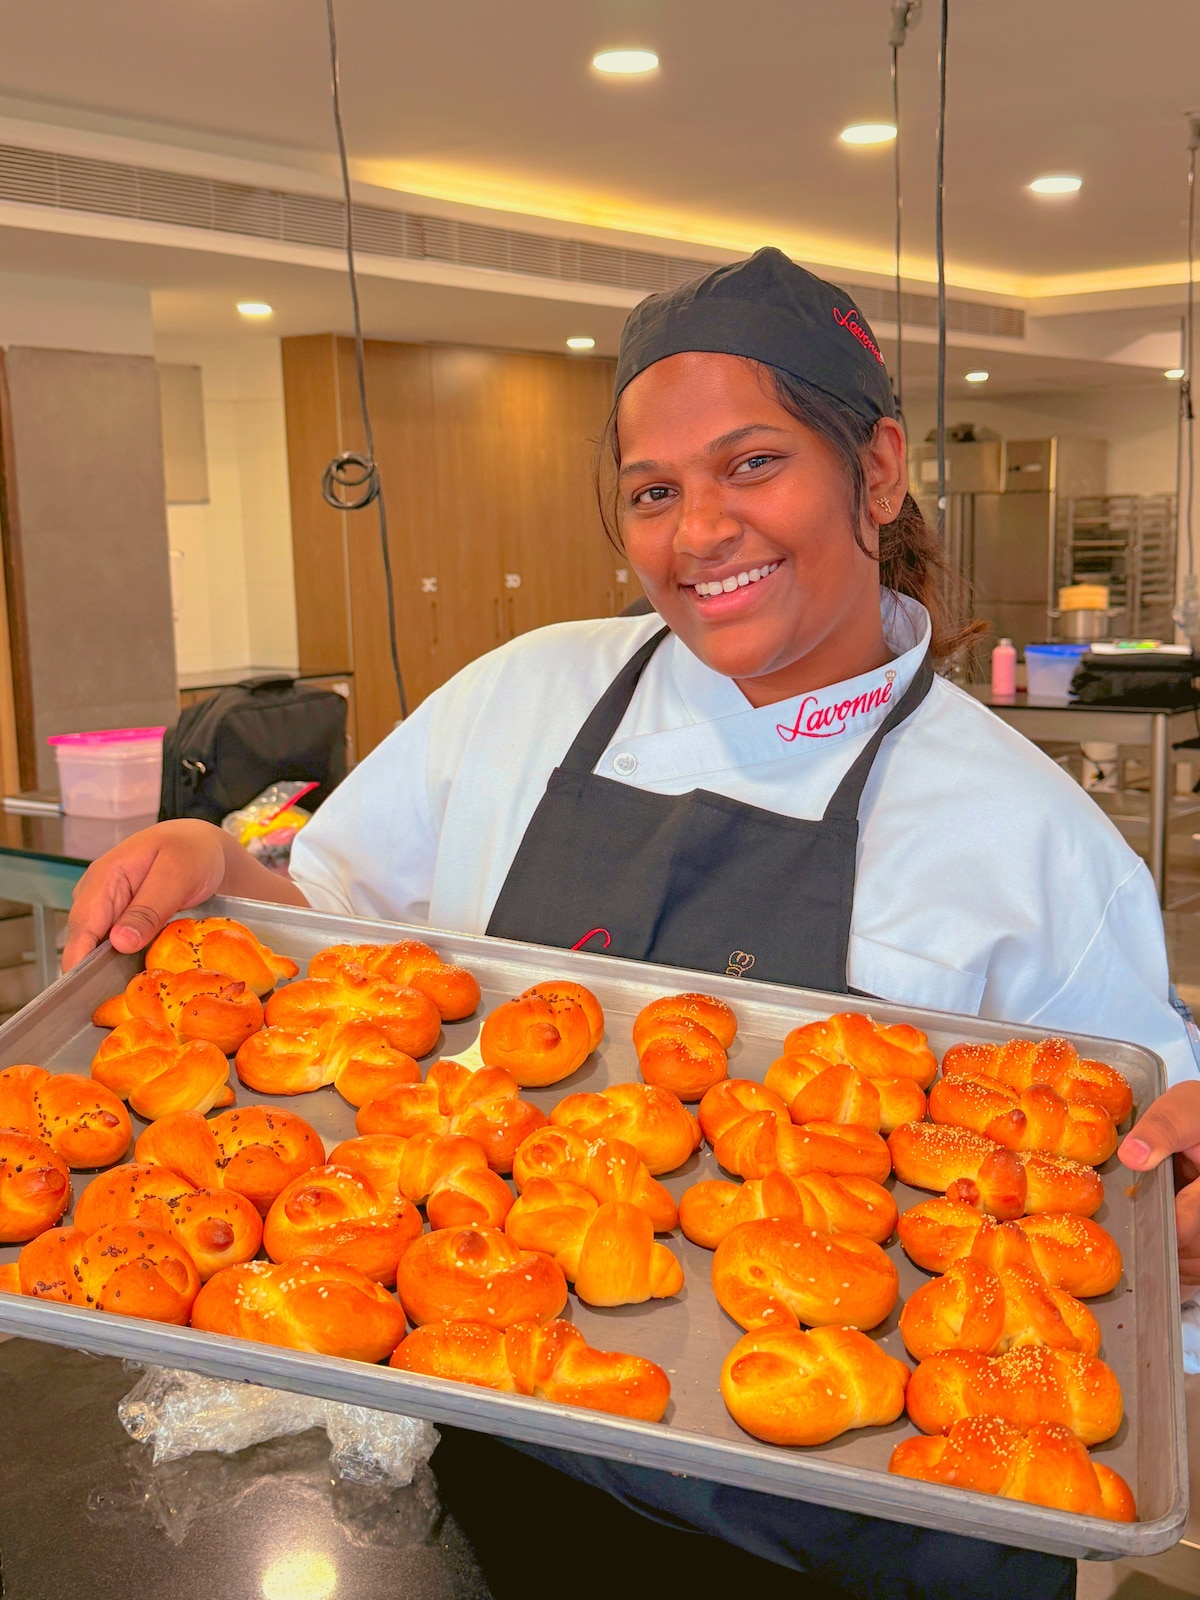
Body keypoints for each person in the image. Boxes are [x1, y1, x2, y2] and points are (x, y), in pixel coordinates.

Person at [64, 249, 1198, 1600]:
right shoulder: (526, 694)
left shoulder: (1024, 833)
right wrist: (217, 863)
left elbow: (1142, 1180)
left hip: (868, 1525)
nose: (698, 530)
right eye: (654, 491)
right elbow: (338, 942)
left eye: (754, 465)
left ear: (878, 473)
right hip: (517, 1431)